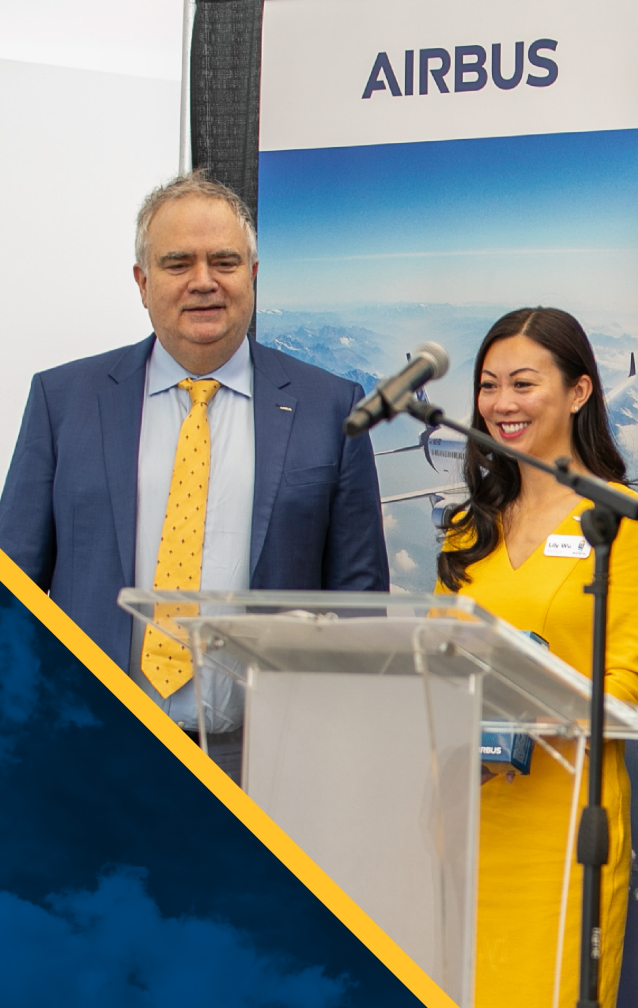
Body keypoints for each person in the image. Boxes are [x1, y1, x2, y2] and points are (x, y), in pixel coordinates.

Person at [0, 171, 387, 778]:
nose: (203, 281)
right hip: (90, 749)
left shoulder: (332, 408)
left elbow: (359, 605)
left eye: (224, 262)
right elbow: (13, 586)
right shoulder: (63, 401)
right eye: (178, 263)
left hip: (266, 762)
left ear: (252, 275)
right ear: (142, 282)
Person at [437, 306, 638, 1008]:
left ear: (579, 392)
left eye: (523, 383)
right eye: (488, 385)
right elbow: (439, 662)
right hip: (470, 822)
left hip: (566, 825)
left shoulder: (625, 522)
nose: (502, 402)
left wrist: (529, 698)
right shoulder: (466, 528)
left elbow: (633, 685)